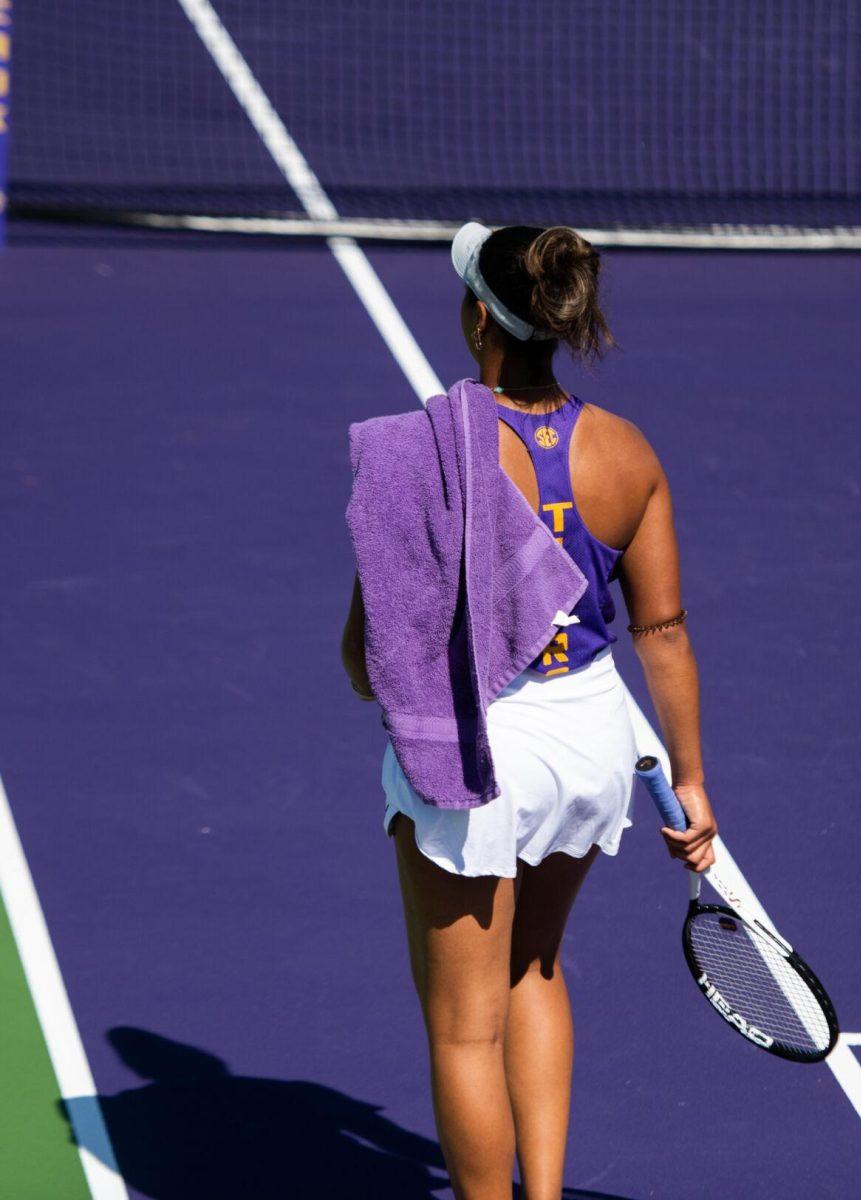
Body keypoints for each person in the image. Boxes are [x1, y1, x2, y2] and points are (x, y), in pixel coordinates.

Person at [341, 222, 717, 1200]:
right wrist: (691, 780)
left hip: (483, 750)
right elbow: (663, 631)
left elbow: (372, 654)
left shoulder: (424, 456)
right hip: (594, 739)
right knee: (537, 969)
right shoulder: (628, 452)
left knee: (465, 1025)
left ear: (480, 319)